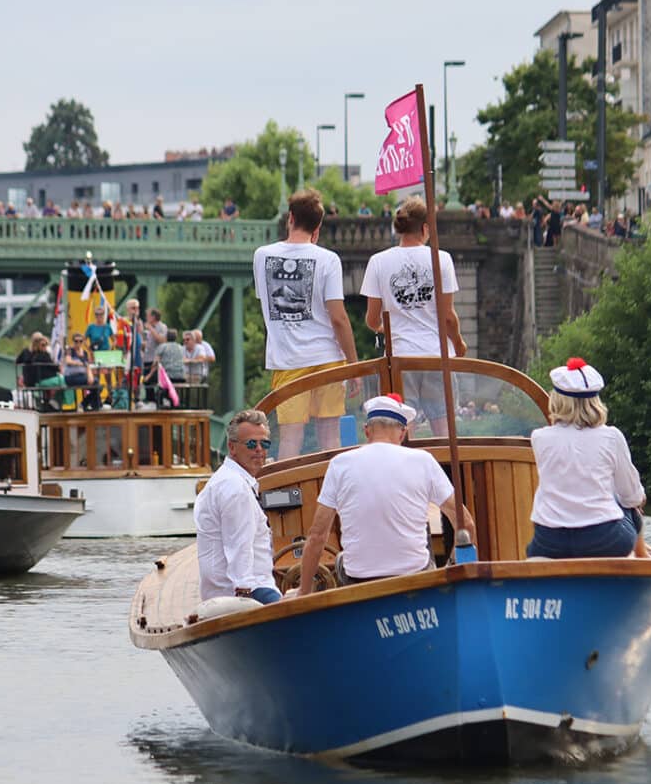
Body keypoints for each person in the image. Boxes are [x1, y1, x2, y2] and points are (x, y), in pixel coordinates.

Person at [295, 395, 476, 597]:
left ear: (367, 431)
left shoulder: (340, 464)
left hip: (360, 582)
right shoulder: (424, 461)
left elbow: (317, 535)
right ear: (403, 433)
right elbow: (466, 524)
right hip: (415, 578)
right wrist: (450, 567)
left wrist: (303, 591)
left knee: (340, 560)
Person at [252, 188, 359, 459]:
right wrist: (354, 365)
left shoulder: (262, 256)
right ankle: (336, 497)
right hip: (327, 358)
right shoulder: (328, 259)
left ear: (290, 218)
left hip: (288, 361)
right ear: (318, 227)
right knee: (330, 438)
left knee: (290, 439)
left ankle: (292, 500)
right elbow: (338, 318)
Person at [362, 195, 467, 436]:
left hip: (400, 358)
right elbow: (447, 316)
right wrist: (459, 343)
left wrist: (388, 329)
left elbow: (372, 320)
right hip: (437, 355)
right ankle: (445, 472)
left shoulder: (378, 261)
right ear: (425, 227)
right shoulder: (441, 259)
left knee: (401, 426)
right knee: (443, 427)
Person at [527, 358, 649, 559]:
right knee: (628, 505)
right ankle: (642, 559)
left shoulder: (539, 438)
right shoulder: (612, 437)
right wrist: (634, 500)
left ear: (557, 401)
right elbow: (632, 497)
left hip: (550, 542)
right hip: (604, 540)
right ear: (595, 402)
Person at [194, 409, 281, 604]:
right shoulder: (236, 488)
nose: (259, 449)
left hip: (226, 591)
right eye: (251, 444)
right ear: (231, 447)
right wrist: (245, 600)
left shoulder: (227, 480)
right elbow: (239, 547)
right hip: (249, 592)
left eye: (264, 443)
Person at [62, 333, 100, 409]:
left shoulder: (85, 353)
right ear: (73, 341)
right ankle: (89, 405)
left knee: (97, 384)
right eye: (76, 341)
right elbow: (68, 361)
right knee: (95, 384)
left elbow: (88, 365)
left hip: (82, 376)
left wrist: (90, 376)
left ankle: (87, 405)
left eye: (80, 341)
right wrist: (79, 363)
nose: (78, 343)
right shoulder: (69, 350)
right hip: (71, 377)